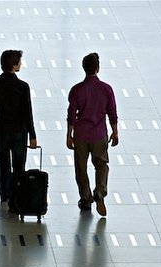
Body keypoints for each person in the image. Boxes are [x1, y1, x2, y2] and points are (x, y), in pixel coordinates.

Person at [0, 50, 37, 210]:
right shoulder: (23, 87)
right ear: (14, 65)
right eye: (19, 62)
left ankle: (4, 195)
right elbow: (28, 113)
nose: (21, 64)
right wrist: (32, 135)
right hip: (20, 132)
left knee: (3, 164)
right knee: (19, 166)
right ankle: (16, 196)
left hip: (1, 130)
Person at [66, 52, 119, 217]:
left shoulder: (76, 90)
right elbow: (112, 113)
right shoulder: (106, 89)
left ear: (84, 68)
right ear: (98, 68)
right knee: (101, 165)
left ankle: (86, 199)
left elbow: (71, 115)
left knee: (81, 169)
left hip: (81, 136)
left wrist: (69, 135)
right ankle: (100, 193)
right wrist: (115, 132)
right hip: (99, 135)